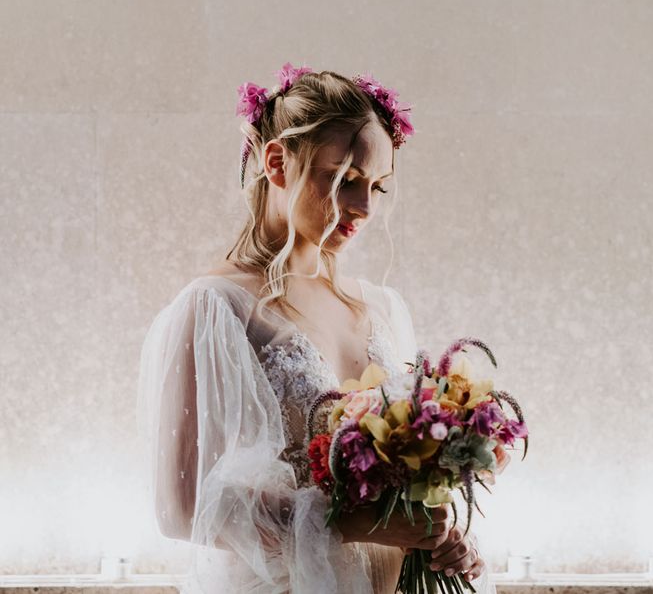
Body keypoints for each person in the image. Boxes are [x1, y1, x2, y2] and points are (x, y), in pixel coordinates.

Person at [136, 63, 492, 593]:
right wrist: (354, 523)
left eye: (378, 187)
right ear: (277, 162)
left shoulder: (381, 308)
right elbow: (181, 505)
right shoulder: (215, 307)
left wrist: (439, 533)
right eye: (346, 179)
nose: (365, 207)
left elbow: (401, 486)